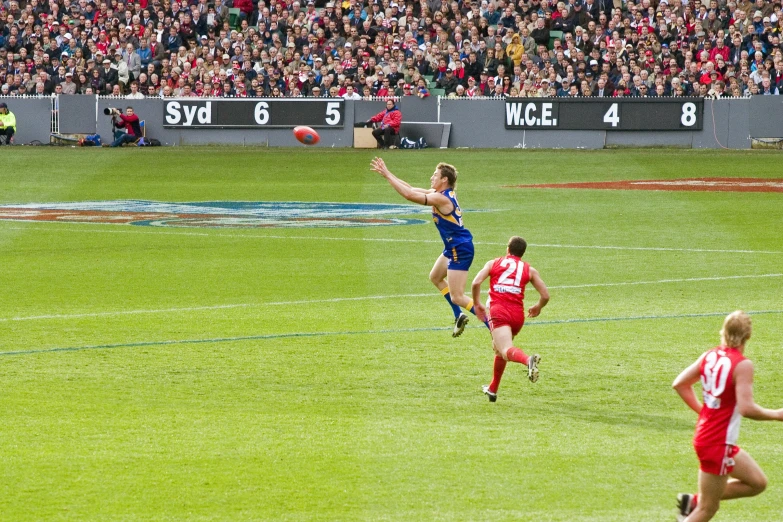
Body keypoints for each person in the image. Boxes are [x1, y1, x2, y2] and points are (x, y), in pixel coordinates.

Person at [672, 311, 783, 521]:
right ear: (748, 336)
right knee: (708, 509)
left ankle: (693, 501)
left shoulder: (710, 355)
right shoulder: (742, 365)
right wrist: (777, 414)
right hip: (717, 443)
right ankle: (699, 503)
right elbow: (747, 408)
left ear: (723, 331)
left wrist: (704, 411)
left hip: (712, 438)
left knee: (757, 483)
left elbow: (680, 384)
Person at [370, 158, 485, 337]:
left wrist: (386, 174)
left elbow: (408, 195)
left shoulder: (440, 198)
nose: (432, 177)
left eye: (435, 175)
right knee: (436, 277)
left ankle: (491, 321)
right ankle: (458, 314)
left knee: (458, 296)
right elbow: (409, 188)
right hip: (453, 246)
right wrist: (388, 174)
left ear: (444, 180)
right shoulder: (440, 194)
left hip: (460, 248)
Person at [471, 236, 549, 402]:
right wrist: (538, 307)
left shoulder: (493, 263)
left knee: (506, 350)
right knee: (498, 348)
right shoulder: (529, 269)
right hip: (517, 315)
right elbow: (545, 295)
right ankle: (493, 389)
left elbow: (476, 283)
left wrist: (477, 304)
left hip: (499, 311)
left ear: (508, 249)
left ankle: (528, 360)